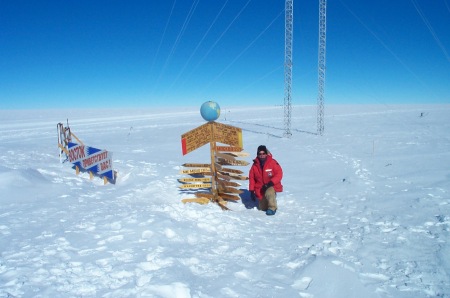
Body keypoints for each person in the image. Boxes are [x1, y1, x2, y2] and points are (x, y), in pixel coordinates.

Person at [249, 145, 283, 215]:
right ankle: (269, 200)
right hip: (260, 188)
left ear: (266, 153)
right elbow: (252, 178)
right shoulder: (254, 165)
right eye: (260, 154)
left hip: (271, 185)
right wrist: (252, 190)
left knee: (269, 191)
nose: (262, 155)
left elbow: (279, 174)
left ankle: (272, 208)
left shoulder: (272, 162)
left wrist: (271, 183)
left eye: (263, 153)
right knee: (262, 208)